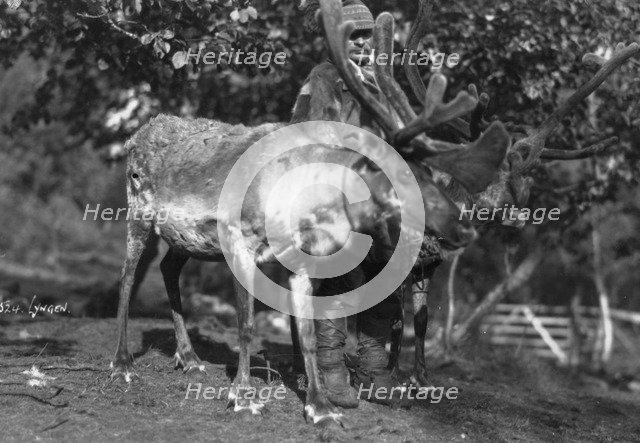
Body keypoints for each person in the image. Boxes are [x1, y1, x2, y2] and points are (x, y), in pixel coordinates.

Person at [290, 0, 413, 408]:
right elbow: (305, 136)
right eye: (354, 36)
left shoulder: (383, 81)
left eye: (367, 36)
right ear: (339, 40)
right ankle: (331, 370)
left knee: (386, 272)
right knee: (341, 276)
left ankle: (374, 369)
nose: (362, 44)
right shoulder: (323, 77)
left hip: (376, 200)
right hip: (330, 195)